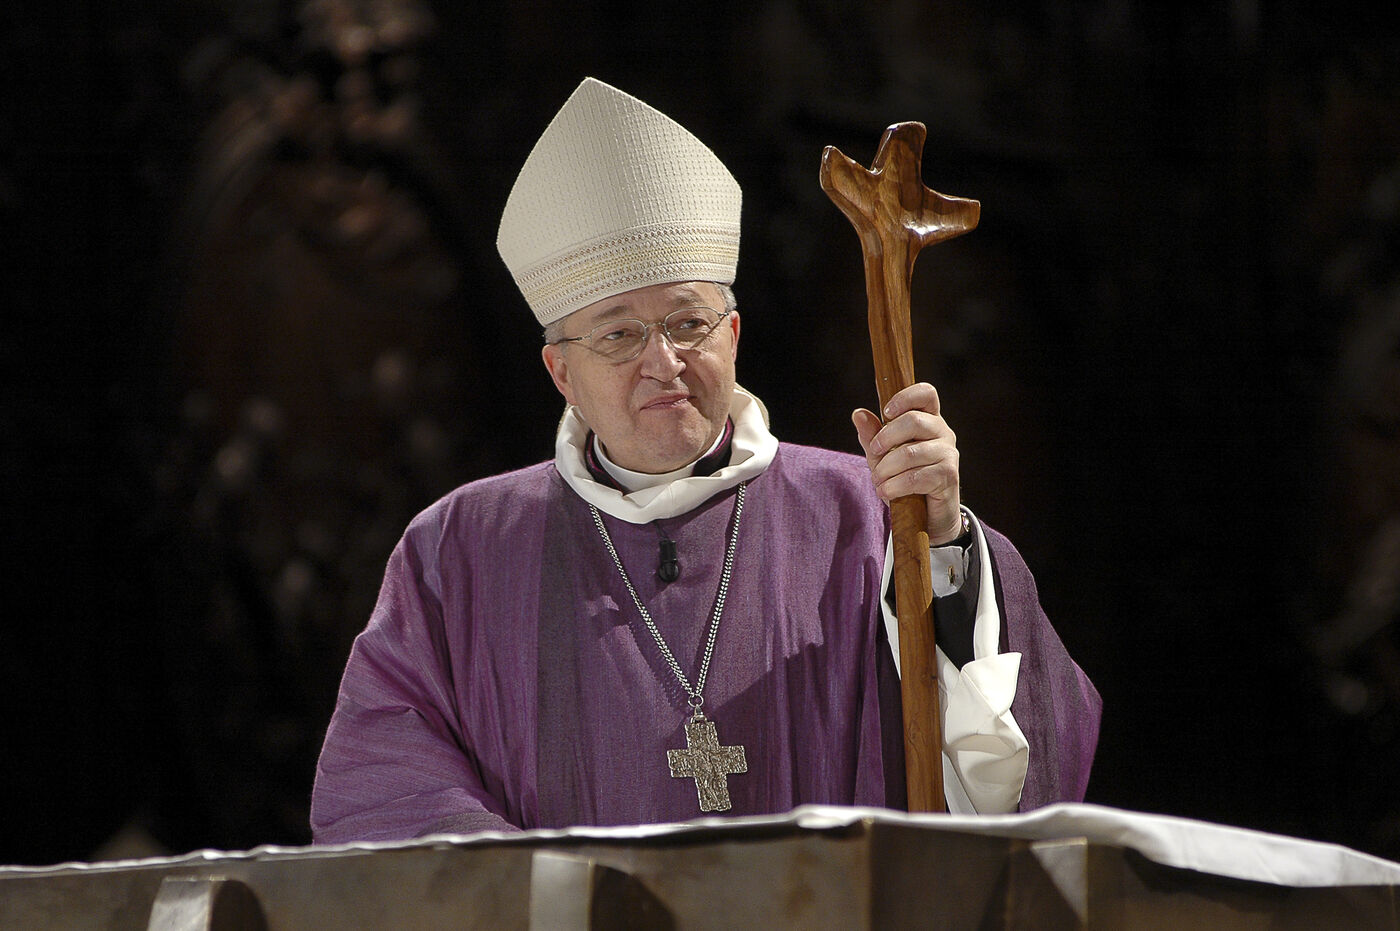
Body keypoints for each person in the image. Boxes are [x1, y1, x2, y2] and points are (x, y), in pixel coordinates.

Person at [310, 78, 1100, 842]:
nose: (663, 362)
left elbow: (1016, 781)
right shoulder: (457, 551)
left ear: (733, 336)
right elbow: (383, 788)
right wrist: (559, 897)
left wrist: (945, 546)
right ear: (561, 373)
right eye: (618, 334)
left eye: (689, 323)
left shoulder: (870, 516)